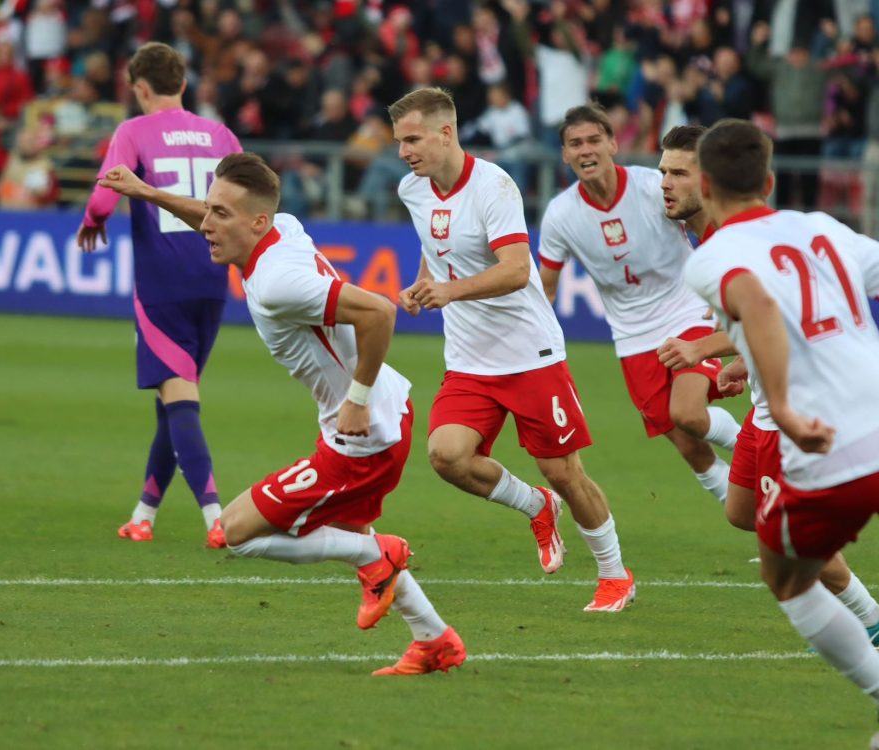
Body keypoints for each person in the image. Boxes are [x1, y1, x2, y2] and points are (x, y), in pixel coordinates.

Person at [96, 152, 466, 677]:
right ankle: (434, 638)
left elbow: (380, 313)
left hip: (362, 434)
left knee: (236, 532)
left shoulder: (276, 281)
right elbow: (216, 209)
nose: (206, 223)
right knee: (353, 536)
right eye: (210, 210)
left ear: (257, 222)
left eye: (220, 215)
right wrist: (149, 192)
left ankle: (376, 555)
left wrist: (355, 400)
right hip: (382, 413)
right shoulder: (280, 229)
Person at [390, 87, 634, 613]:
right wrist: (421, 282)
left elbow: (517, 270)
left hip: (529, 354)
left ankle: (615, 575)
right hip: (469, 359)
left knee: (565, 472)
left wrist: (448, 293)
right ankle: (535, 507)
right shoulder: (413, 189)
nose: (405, 151)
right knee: (446, 456)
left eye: (413, 139)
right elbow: (437, 250)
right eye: (400, 142)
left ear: (446, 132)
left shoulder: (493, 186)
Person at [683, 119, 879, 736]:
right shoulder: (822, 229)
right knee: (758, 523)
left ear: (706, 186)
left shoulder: (713, 256)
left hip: (831, 448)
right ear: (769, 179)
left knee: (786, 577)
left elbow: (760, 304)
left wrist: (786, 409)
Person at [77, 42, 242, 548]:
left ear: (140, 87)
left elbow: (108, 191)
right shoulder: (219, 133)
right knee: (175, 402)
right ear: (184, 85)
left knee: (181, 402)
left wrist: (92, 220)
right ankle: (143, 514)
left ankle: (218, 518)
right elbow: (253, 193)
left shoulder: (133, 131)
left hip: (162, 283)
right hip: (213, 281)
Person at [538, 104, 741, 506]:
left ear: (614, 144)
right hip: (632, 338)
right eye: (575, 143)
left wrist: (724, 290)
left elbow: (712, 225)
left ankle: (759, 451)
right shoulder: (560, 215)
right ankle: (755, 515)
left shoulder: (656, 186)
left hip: (687, 312)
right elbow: (545, 288)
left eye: (594, 139)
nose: (585, 150)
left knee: (688, 413)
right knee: (689, 447)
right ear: (564, 154)